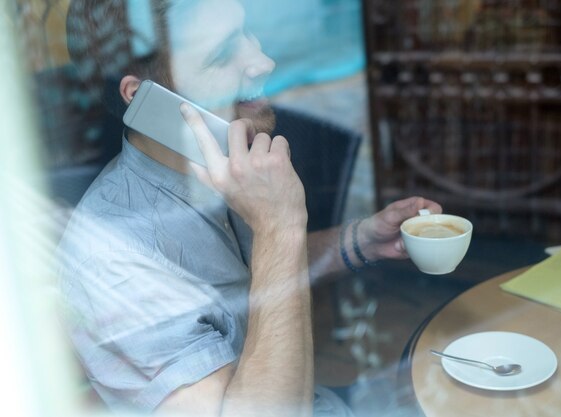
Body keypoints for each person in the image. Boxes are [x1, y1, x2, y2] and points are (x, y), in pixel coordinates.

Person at [56, 0, 442, 416]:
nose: (263, 61)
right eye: (222, 53)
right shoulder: (112, 262)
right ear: (142, 97)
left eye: (247, 33)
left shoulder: (215, 166)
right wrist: (280, 224)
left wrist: (360, 240)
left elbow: (243, 279)